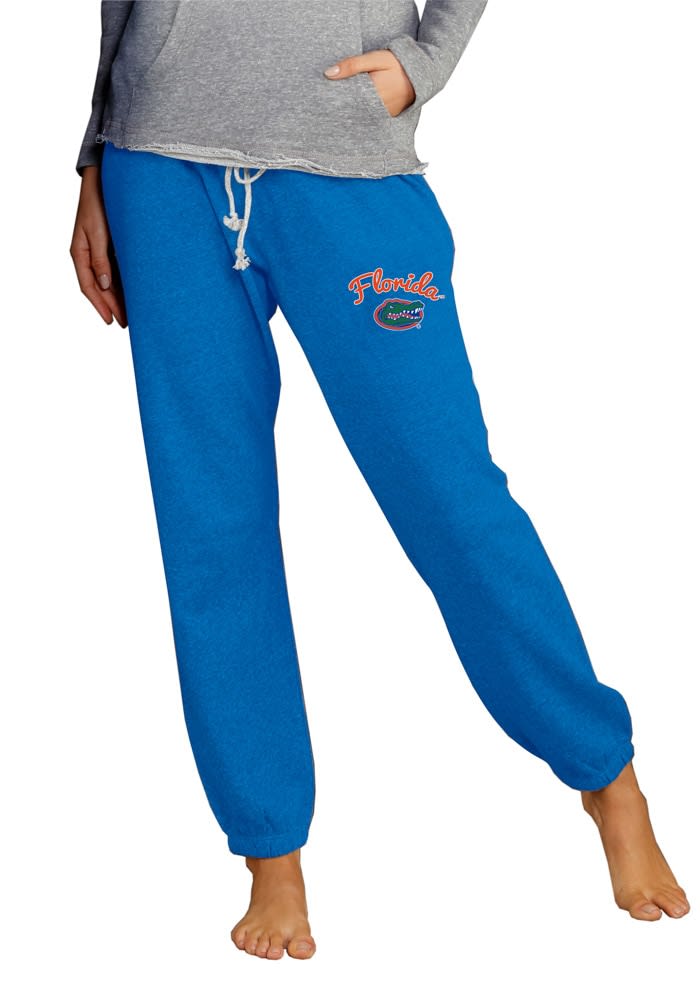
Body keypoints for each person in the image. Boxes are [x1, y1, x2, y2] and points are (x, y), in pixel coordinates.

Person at [70, 0, 690, 961]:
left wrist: (426, 60)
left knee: (453, 501)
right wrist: (94, 158)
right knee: (211, 526)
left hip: (345, 161)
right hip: (158, 167)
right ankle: (270, 850)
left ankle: (607, 776)